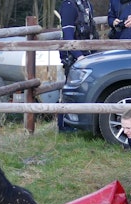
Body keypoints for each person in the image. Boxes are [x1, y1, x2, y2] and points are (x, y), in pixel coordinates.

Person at [58, 0, 99, 132]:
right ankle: (64, 126)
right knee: (70, 91)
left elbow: (91, 31)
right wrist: (78, 56)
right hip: (74, 57)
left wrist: (95, 53)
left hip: (87, 55)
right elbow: (68, 36)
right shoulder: (69, 6)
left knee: (83, 90)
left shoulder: (86, 5)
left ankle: (78, 123)